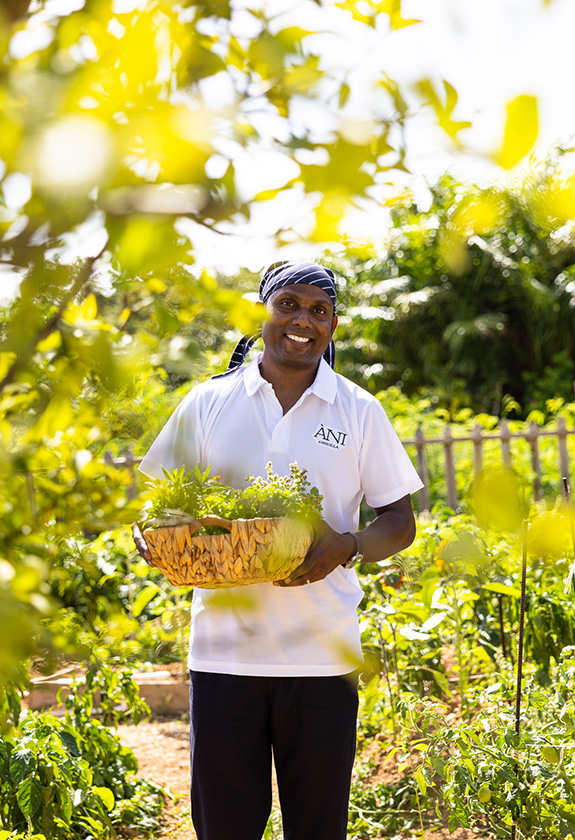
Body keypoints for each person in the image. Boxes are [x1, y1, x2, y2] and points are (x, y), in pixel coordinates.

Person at [134, 260, 423, 840]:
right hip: (223, 654)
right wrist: (156, 539)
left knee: (317, 828)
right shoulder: (207, 403)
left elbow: (399, 521)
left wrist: (348, 545)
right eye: (288, 304)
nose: (303, 321)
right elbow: (158, 504)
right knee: (224, 826)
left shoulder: (358, 410)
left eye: (319, 311)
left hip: (323, 656)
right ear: (263, 312)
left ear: (333, 326)